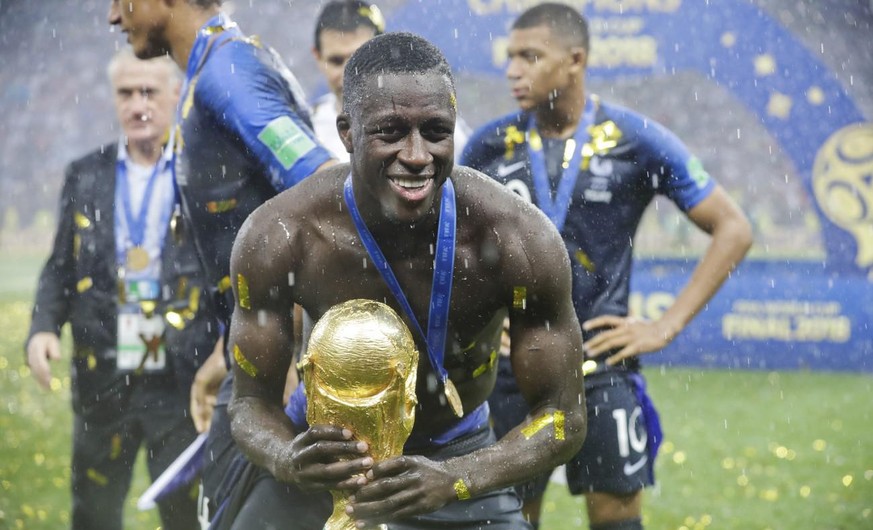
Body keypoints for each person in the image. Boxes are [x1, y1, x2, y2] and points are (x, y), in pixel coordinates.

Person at [224, 31, 587, 529]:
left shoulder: (517, 239)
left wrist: (455, 478)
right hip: (320, 464)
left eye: (436, 131)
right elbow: (249, 404)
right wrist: (288, 457)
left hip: (454, 457)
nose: (416, 155)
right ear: (347, 132)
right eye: (390, 132)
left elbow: (563, 419)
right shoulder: (283, 235)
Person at [461, 4, 754, 529]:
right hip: (510, 372)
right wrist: (482, 321)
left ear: (575, 61)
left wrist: (665, 325)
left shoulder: (634, 139)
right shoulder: (488, 145)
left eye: (530, 56)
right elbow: (450, 247)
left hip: (599, 363)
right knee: (508, 521)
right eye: (509, 58)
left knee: (617, 521)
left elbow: (733, 228)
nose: (513, 71)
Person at [107, 0, 336, 524]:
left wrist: (293, 337)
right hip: (255, 346)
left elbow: (324, 190)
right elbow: (255, 215)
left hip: (280, 359)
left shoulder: (226, 73)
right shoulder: (213, 69)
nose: (113, 17)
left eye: (120, 0)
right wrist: (226, 343)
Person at [25, 48, 218, 530]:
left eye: (149, 91)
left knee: (185, 512)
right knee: (93, 508)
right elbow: (60, 267)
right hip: (104, 371)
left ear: (175, 96)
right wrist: (43, 327)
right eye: (126, 93)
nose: (137, 105)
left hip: (180, 375)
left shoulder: (203, 172)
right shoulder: (86, 173)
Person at [310, 0, 471, 162]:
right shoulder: (306, 130)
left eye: (360, 59)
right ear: (317, 57)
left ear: (384, 51)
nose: (348, 74)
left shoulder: (434, 121)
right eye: (336, 61)